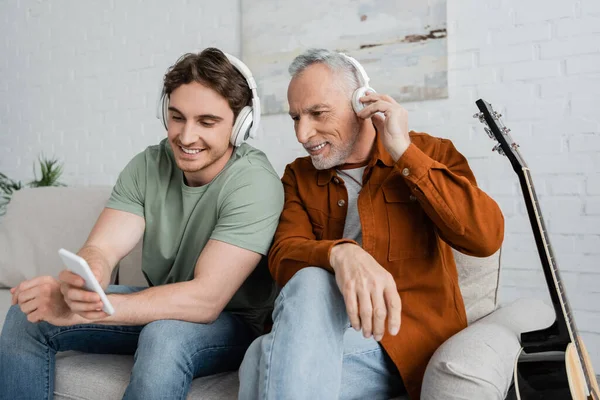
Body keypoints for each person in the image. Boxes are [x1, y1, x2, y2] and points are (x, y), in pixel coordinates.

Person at [0, 47, 284, 400]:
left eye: (206, 122)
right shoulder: (148, 165)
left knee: (164, 335)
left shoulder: (255, 183)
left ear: (241, 125)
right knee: (26, 315)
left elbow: (206, 299)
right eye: (177, 117)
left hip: (232, 323)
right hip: (160, 308)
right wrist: (88, 279)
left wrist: (91, 312)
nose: (185, 136)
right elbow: (103, 247)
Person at [238, 48, 504, 400]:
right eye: (295, 117)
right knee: (312, 280)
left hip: (401, 340)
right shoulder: (297, 177)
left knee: (260, 356)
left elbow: (485, 237)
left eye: (317, 113)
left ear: (362, 103)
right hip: (319, 327)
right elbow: (284, 256)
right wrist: (341, 254)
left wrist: (402, 151)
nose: (303, 134)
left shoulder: (430, 153)